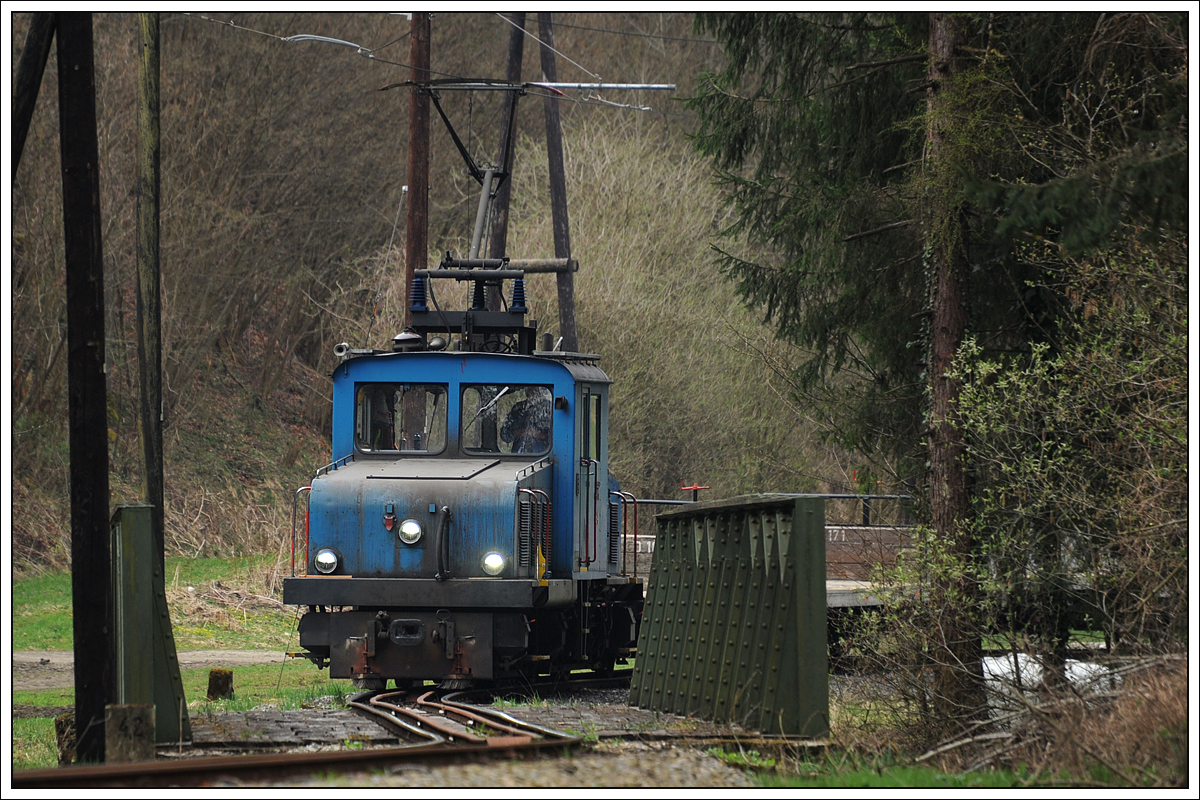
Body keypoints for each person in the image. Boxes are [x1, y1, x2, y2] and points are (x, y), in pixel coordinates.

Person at [501, 387, 551, 454]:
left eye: (535, 389)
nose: (532, 392)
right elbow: (504, 435)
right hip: (518, 458)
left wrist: (540, 435)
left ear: (542, 391)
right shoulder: (518, 408)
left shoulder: (549, 408)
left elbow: (559, 437)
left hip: (544, 456)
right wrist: (518, 433)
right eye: (529, 389)